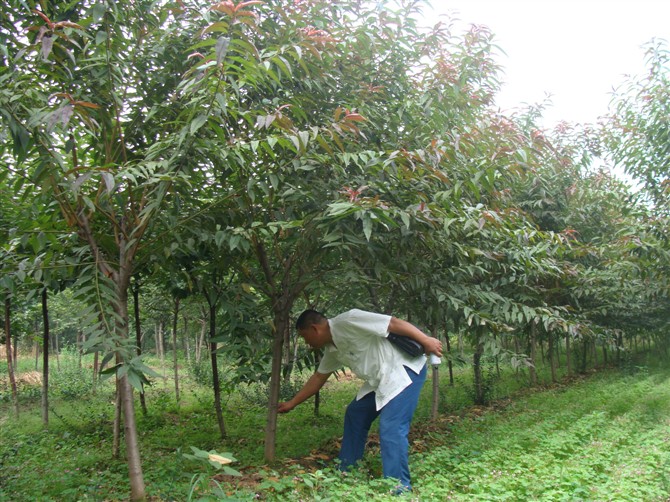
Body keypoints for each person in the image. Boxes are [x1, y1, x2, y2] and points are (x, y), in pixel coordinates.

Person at [278, 308, 443, 492]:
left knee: (391, 427)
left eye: (305, 337)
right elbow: (318, 378)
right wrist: (291, 403)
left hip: (403, 370)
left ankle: (399, 489)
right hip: (380, 380)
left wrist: (425, 340)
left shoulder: (349, 320)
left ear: (315, 329)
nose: (307, 343)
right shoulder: (332, 349)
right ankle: (347, 471)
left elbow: (392, 323)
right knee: (355, 413)